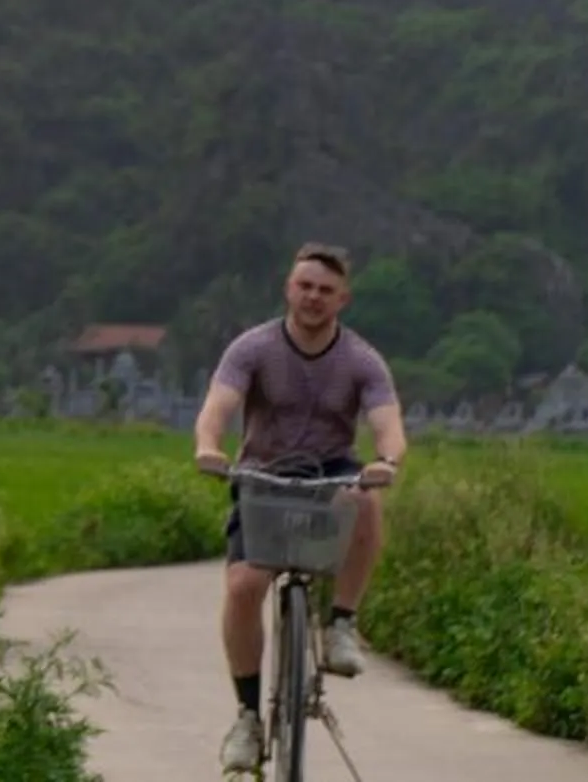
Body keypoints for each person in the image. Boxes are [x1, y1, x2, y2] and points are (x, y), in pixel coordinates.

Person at [190, 242, 407, 778]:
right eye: (305, 286)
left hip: (330, 472)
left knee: (365, 499)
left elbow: (388, 423)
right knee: (244, 586)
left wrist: (387, 461)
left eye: (325, 290)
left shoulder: (361, 359)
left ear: (342, 300)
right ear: (289, 289)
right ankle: (247, 716)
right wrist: (209, 447)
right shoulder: (253, 348)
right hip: (264, 473)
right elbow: (218, 405)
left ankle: (342, 623)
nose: (313, 297)